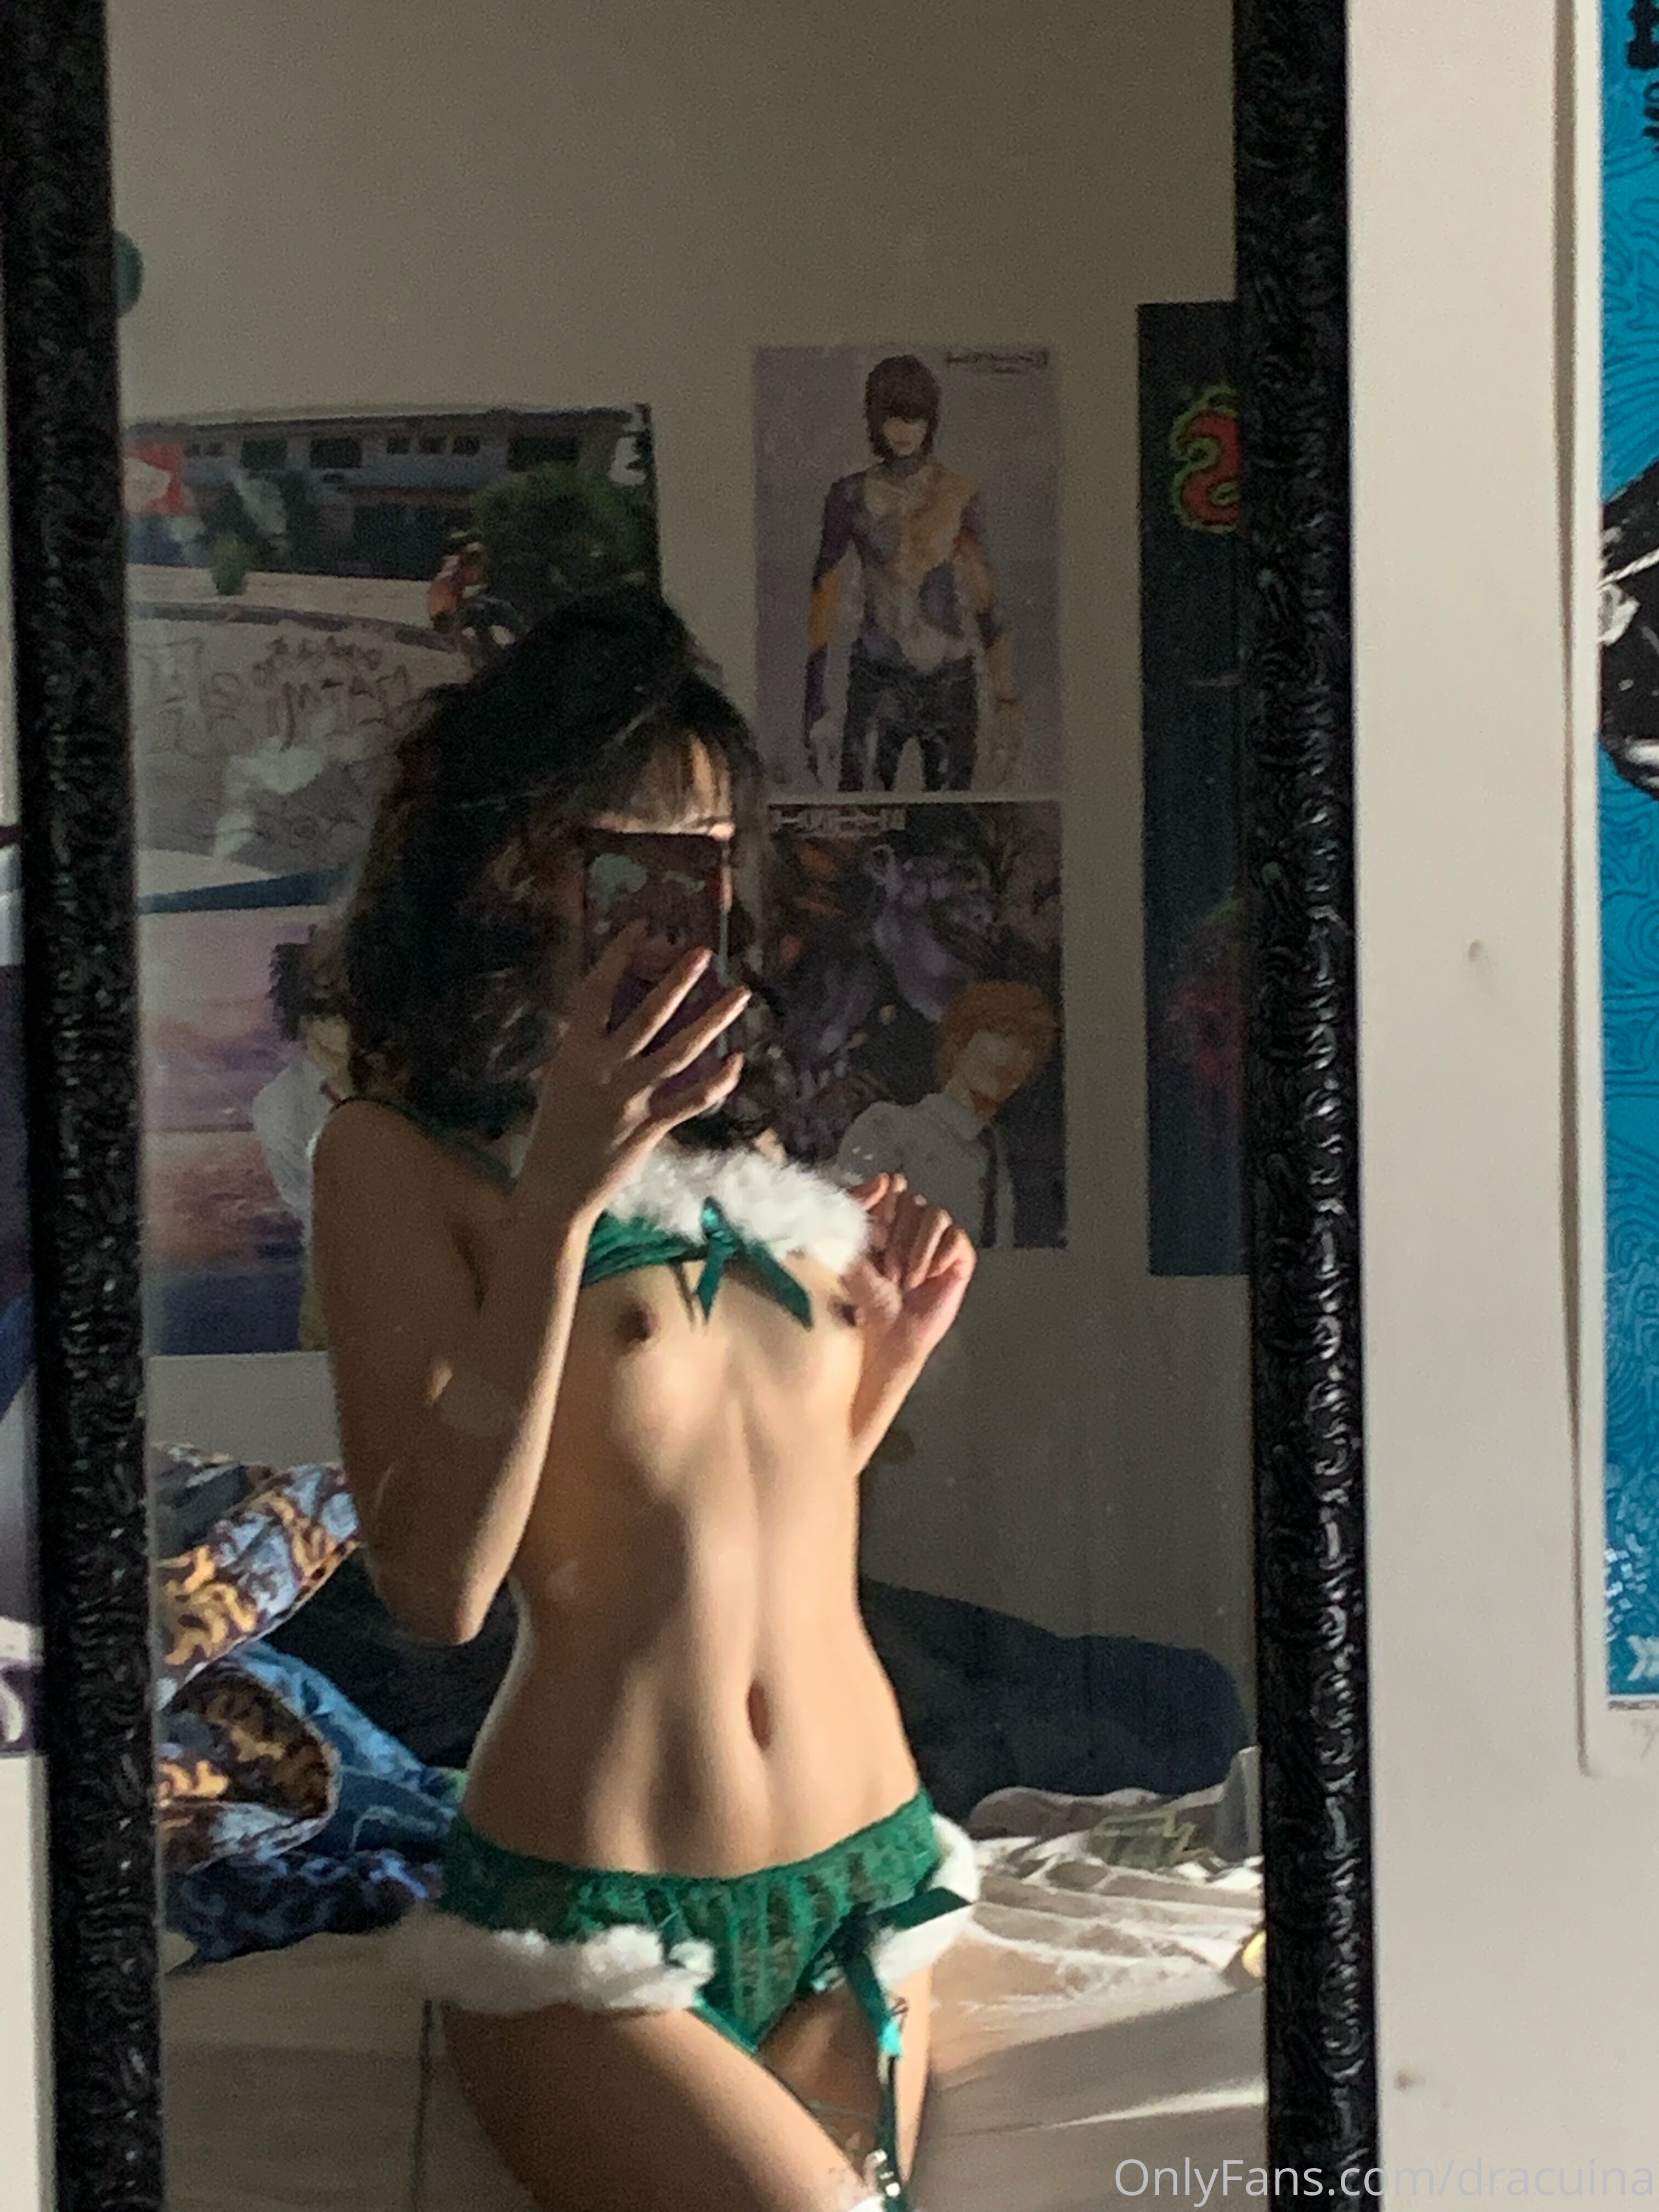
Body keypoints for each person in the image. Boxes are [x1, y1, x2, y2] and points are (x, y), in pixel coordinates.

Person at [311, 586, 980, 2212]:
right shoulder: (398, 1158)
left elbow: (731, 1521)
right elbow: (438, 1588)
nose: (683, 895)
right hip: (593, 1921)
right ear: (509, 861)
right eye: (632, 851)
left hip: (868, 1870)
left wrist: (885, 1364)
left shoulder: (754, 1147)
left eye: (711, 850)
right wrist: (558, 1193)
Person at [804, 354, 1024, 793]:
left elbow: (986, 601)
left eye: (915, 418)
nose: (904, 431)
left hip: (949, 679)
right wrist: (814, 702)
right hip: (878, 675)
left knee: (952, 821)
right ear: (876, 421)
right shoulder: (850, 495)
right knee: (861, 815)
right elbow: (825, 593)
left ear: (929, 422)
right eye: (893, 418)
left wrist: (1006, 700)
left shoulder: (958, 494)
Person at [836, 980, 1059, 1249]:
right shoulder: (890, 1126)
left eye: (1029, 1048)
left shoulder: (1002, 1157)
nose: (1012, 1055)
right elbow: (840, 1233)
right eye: (1003, 1034)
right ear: (962, 1039)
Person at [250, 925, 354, 1350]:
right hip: (334, 1268)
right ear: (304, 1017)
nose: (348, 1024)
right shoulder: (279, 1103)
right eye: (330, 1010)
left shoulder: (397, 1082)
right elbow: (304, 1200)